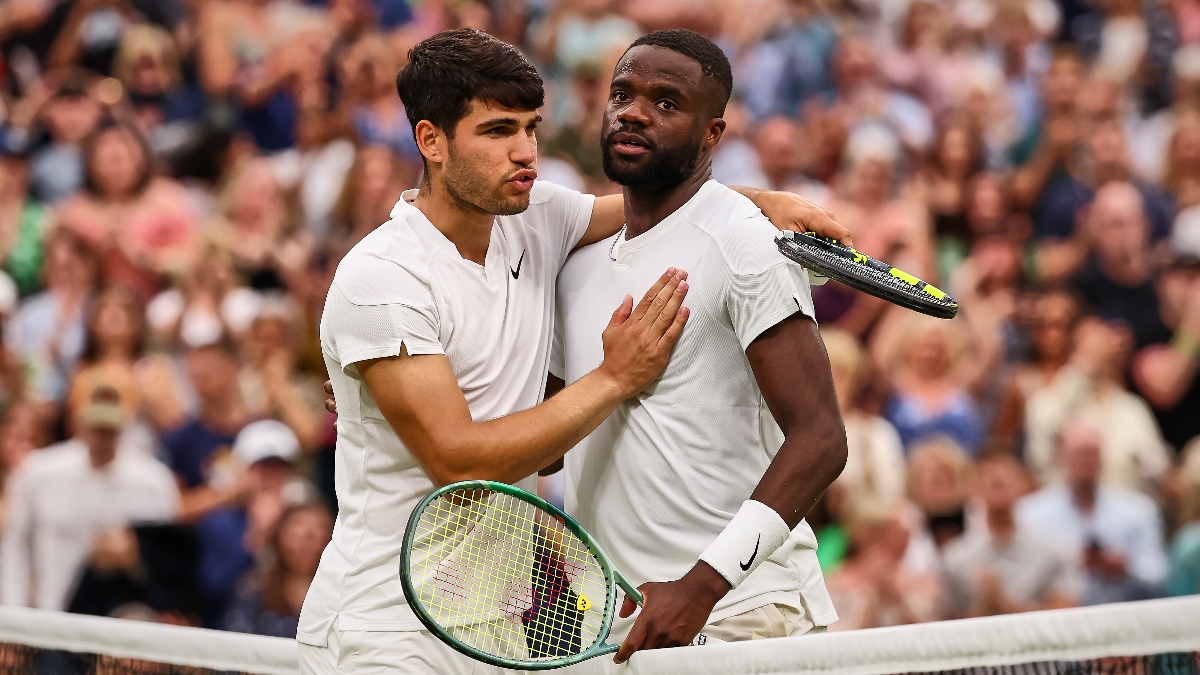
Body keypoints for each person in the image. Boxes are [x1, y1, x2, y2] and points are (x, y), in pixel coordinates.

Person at [301, 28, 848, 674]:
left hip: (503, 630)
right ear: (432, 141)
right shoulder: (381, 278)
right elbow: (458, 462)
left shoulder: (539, 221)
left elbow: (657, 201)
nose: (525, 151)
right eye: (498, 131)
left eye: (532, 127)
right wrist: (614, 378)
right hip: (386, 626)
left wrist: (767, 201)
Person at [551, 30, 846, 659]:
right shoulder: (573, 263)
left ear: (712, 134)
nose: (633, 111)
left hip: (742, 613)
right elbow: (551, 447)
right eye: (623, 94)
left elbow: (822, 438)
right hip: (622, 625)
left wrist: (702, 586)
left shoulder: (744, 242)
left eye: (665, 103)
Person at [0, 385, 178, 611]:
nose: (102, 435)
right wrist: (15, 614)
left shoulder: (154, 482)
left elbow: (169, 558)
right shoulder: (39, 473)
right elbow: (16, 545)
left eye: (110, 427)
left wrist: (135, 555)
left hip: (124, 620)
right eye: (96, 426)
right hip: (52, 615)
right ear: (79, 422)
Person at [1016, 417, 1168, 605]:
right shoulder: (1030, 514)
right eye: (1079, 453)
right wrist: (1067, 566)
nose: (1086, 461)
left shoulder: (1138, 510)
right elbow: (1019, 583)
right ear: (1061, 455)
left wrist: (1126, 568)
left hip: (1123, 615)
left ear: (1103, 457)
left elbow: (1159, 576)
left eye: (1092, 453)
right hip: (1057, 619)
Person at [942, 454, 1080, 618]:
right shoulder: (955, 558)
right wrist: (987, 603)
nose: (997, 480)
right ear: (974, 488)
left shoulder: (1053, 554)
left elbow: (1063, 617)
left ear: (1024, 485)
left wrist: (1000, 599)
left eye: (1007, 477)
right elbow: (950, 626)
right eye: (989, 478)